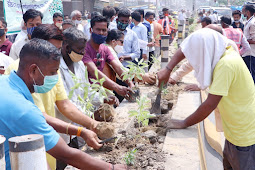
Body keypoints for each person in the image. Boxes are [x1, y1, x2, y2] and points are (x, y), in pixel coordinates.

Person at [0, 38, 127, 170]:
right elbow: (66, 155)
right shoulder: (22, 109)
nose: (55, 77)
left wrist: (80, 131)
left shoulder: (5, 83)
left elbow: (40, 119)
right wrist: (111, 168)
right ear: (33, 70)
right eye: (53, 72)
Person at [5, 24, 101, 169]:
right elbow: (65, 153)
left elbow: (65, 104)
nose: (57, 53)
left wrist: (86, 127)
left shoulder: (42, 73)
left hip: (44, 146)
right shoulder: (21, 105)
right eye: (53, 49)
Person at [158, 28, 255, 169]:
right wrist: (168, 68)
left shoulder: (226, 65)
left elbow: (209, 104)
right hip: (234, 132)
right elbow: (186, 48)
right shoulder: (223, 52)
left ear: (205, 50)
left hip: (244, 137)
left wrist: (184, 122)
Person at [82, 15, 134, 101]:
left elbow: (117, 67)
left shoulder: (105, 49)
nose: (101, 33)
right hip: (89, 92)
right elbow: (94, 71)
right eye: (98, 30)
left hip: (103, 90)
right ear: (91, 30)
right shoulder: (84, 49)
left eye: (104, 30)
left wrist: (130, 83)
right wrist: (117, 87)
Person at [242, 4, 255, 83]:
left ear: (248, 12)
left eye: (243, 11)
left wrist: (244, 41)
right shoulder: (248, 22)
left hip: (251, 53)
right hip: (247, 52)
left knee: (251, 74)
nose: (242, 12)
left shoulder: (252, 23)